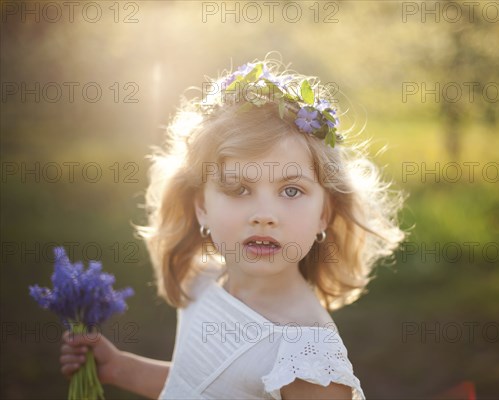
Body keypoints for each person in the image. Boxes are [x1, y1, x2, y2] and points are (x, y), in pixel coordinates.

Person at [59, 56, 406, 399]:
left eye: (291, 190)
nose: (264, 215)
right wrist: (123, 369)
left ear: (324, 214)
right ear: (202, 207)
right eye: (239, 189)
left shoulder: (307, 357)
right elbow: (204, 387)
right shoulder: (202, 281)